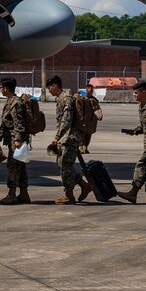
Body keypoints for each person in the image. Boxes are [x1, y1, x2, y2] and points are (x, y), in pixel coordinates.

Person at [47, 75, 90, 204]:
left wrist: (57, 137)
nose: (49, 90)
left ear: (55, 85)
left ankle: (69, 195)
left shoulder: (66, 99)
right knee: (64, 164)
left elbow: (66, 120)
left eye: (49, 87)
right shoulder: (62, 99)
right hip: (67, 137)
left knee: (65, 165)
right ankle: (84, 185)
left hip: (69, 138)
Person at [0, 77, 31, 204]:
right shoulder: (9, 102)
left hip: (16, 141)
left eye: (1, 87)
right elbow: (5, 122)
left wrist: (17, 140)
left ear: (6, 88)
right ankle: (24, 194)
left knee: (13, 166)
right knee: (21, 167)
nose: (1, 90)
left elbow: (18, 123)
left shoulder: (15, 103)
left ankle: (12, 194)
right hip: (16, 139)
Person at [80, 83, 103, 153]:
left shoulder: (93, 99)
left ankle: (85, 147)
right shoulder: (81, 96)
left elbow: (98, 107)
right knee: (81, 134)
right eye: (90, 89)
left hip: (90, 120)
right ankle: (81, 147)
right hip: (82, 119)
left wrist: (101, 114)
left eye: (92, 89)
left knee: (88, 134)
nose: (92, 90)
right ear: (86, 89)